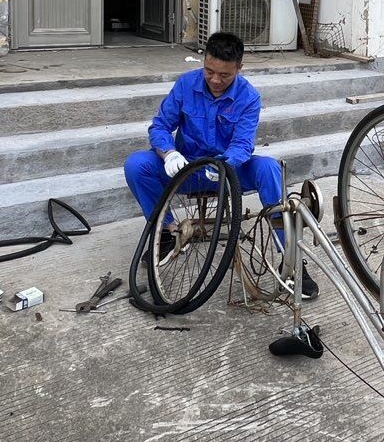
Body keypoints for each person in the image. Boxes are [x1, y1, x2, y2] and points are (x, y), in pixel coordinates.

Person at [123, 31, 317, 299]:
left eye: (224, 75)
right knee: (136, 165)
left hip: (229, 172)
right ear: (204, 61)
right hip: (186, 168)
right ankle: (167, 233)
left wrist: (225, 164)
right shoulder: (186, 84)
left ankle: (291, 258)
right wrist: (169, 153)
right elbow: (160, 126)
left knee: (268, 168)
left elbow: (243, 144)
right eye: (209, 71)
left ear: (239, 68)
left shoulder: (249, 97)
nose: (215, 80)